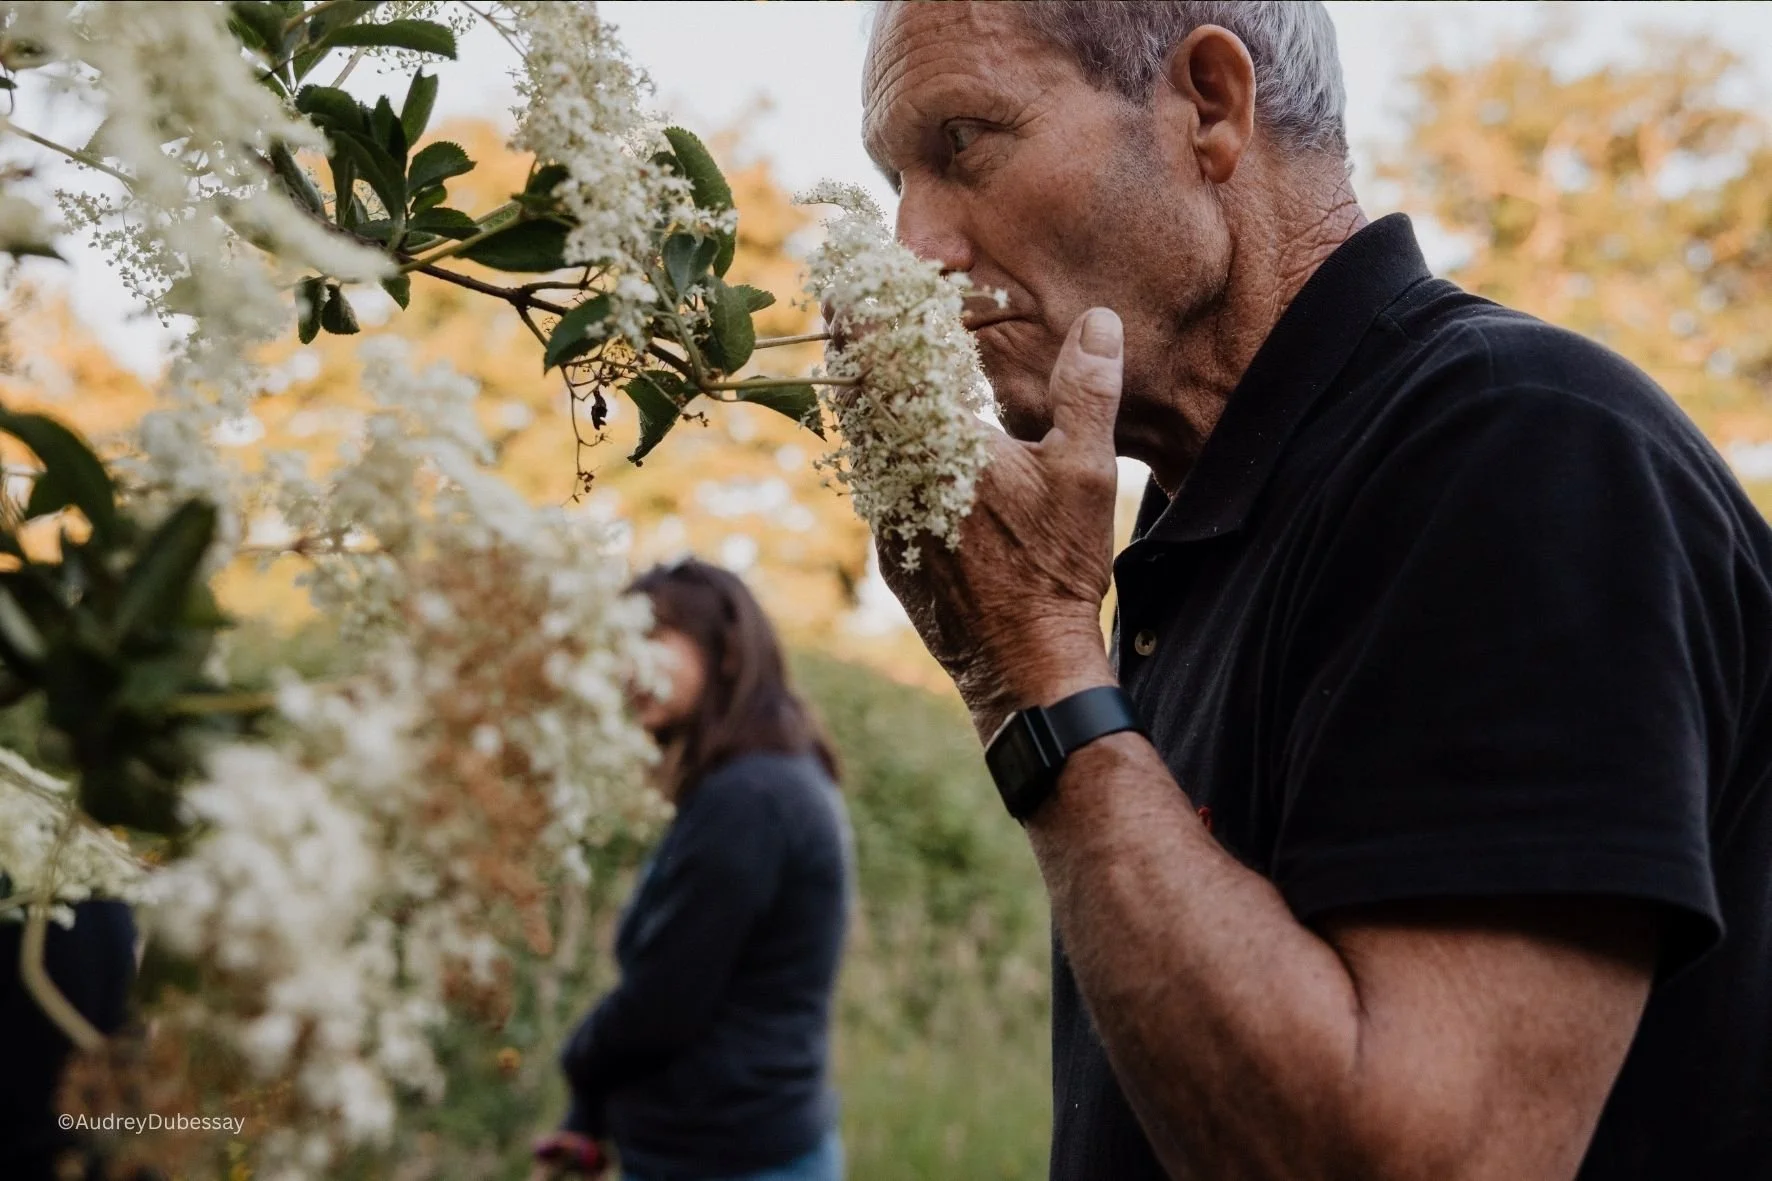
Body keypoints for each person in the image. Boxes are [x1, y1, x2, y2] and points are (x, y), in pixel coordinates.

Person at [858, 3, 1772, 1180]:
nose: (912, 246)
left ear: (1207, 105)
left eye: (962, 144)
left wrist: (1030, 669)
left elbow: (1427, 1156)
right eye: (890, 178)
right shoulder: (1188, 527)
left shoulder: (1515, 449)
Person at [535, 559, 851, 1181]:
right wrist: (588, 1115)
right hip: (731, 1145)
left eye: (652, 637)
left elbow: (663, 1002)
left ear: (725, 650)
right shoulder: (759, 779)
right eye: (620, 642)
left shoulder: (750, 799)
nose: (629, 664)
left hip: (732, 1159)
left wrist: (577, 1061)